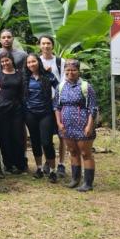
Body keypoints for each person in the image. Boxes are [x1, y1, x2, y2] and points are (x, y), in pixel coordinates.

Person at [54, 59, 98, 192]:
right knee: (73, 152)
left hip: (82, 124)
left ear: (79, 71)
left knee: (85, 153)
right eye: (68, 70)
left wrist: (89, 126)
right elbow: (57, 106)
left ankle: (88, 183)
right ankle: (75, 179)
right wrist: (59, 122)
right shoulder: (61, 87)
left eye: (73, 70)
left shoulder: (86, 87)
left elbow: (93, 108)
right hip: (67, 125)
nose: (70, 73)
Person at [23, 53, 59, 182]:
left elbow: (59, 88)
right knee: (35, 141)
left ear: (38, 62)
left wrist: (57, 103)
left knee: (46, 142)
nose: (31, 64)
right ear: (26, 65)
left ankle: (53, 170)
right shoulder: (25, 77)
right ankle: (38, 168)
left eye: (33, 61)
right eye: (29, 62)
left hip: (46, 113)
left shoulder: (48, 75)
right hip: (30, 113)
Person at [38, 35, 67, 178]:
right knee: (46, 135)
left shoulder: (60, 62)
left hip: (59, 102)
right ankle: (48, 161)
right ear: (39, 46)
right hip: (44, 102)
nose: (45, 46)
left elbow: (63, 82)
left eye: (48, 43)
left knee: (62, 134)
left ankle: (61, 163)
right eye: (43, 43)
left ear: (52, 45)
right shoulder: (36, 61)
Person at [0, 52, 27, 173]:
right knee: (4, 137)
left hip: (17, 108)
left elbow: (23, 92)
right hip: (2, 109)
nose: (5, 63)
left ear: (11, 60)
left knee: (18, 136)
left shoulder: (20, 74)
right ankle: (8, 164)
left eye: (6, 60)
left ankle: (20, 164)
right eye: (2, 61)